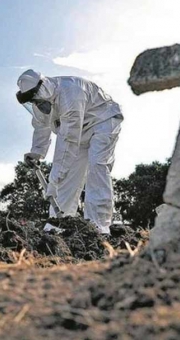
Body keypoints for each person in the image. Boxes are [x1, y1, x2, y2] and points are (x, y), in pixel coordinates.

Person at [16, 69, 123, 235]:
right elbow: (41, 126)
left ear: (42, 87)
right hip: (79, 132)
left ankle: (98, 228)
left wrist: (53, 180)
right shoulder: (39, 101)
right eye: (32, 101)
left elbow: (68, 141)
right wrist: (36, 152)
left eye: (36, 99)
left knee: (97, 166)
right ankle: (57, 227)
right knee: (67, 178)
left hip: (103, 121)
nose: (37, 105)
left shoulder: (71, 93)